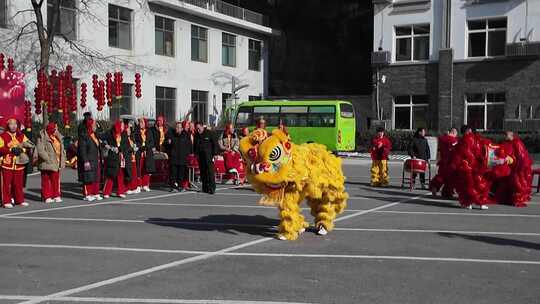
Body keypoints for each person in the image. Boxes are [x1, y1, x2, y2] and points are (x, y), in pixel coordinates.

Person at [450, 125, 490, 210]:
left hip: (466, 166)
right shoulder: (476, 140)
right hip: (474, 166)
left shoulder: (463, 141)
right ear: (467, 131)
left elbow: (458, 155)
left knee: (467, 185)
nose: (470, 131)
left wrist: (454, 165)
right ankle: (481, 203)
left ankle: (468, 203)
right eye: (469, 130)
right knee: (479, 184)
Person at [0, 118, 34, 208]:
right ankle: (6, 201)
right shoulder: (3, 136)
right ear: (8, 125)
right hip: (7, 163)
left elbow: (29, 146)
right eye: (11, 124)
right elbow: (0, 148)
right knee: (6, 184)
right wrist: (10, 149)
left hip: (19, 163)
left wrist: (22, 149)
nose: (13, 126)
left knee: (18, 184)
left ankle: (19, 200)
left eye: (15, 124)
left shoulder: (21, 136)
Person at [493, 131, 532, 207]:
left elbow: (521, 157)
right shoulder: (506, 143)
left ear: (512, 135)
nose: (505, 136)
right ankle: (508, 198)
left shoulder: (517, 143)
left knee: (517, 182)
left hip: (518, 167)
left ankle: (517, 198)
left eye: (506, 134)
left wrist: (514, 162)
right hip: (510, 167)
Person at [36, 122, 66, 203]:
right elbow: (40, 150)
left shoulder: (58, 137)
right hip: (46, 162)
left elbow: (62, 149)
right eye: (55, 128)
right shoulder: (42, 137)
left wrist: (63, 159)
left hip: (56, 162)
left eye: (56, 128)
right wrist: (48, 159)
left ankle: (56, 195)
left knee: (55, 180)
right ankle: (46, 196)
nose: (56, 130)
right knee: (46, 180)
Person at [102, 121, 128, 199]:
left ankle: (120, 191)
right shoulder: (110, 133)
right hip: (112, 157)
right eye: (122, 126)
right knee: (111, 174)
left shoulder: (124, 134)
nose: (124, 127)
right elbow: (101, 139)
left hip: (121, 156)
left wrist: (119, 149)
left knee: (120, 174)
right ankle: (106, 192)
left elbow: (126, 145)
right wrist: (108, 146)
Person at [77, 118, 102, 202]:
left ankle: (95, 192)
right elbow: (82, 149)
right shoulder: (84, 136)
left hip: (95, 159)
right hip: (88, 160)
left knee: (96, 177)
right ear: (90, 125)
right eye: (94, 124)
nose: (96, 126)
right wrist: (85, 161)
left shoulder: (95, 134)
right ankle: (87, 194)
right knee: (88, 177)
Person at [430, 128, 459, 197]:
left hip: (443, 161)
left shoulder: (442, 139)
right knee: (450, 178)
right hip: (451, 162)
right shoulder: (454, 141)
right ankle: (447, 192)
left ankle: (435, 186)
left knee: (441, 176)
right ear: (454, 132)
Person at [165, 121, 193, 192]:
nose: (178, 129)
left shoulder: (186, 135)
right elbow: (165, 144)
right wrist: (168, 143)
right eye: (177, 127)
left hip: (182, 158)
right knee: (173, 174)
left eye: (179, 127)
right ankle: (173, 187)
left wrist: (188, 154)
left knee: (181, 174)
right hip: (173, 158)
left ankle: (180, 186)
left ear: (182, 128)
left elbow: (189, 145)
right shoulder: (170, 134)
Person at [194, 122, 217, 194]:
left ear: (202, 127)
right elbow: (195, 146)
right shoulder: (196, 135)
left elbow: (215, 144)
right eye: (196, 129)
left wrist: (215, 154)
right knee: (203, 172)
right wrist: (196, 154)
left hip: (208, 156)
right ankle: (205, 187)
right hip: (200, 156)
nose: (198, 130)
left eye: (199, 128)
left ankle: (212, 188)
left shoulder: (209, 133)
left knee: (210, 172)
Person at [135, 117, 156, 192]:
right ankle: (138, 185)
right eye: (140, 122)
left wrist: (146, 147)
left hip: (147, 152)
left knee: (147, 168)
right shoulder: (136, 131)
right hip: (139, 152)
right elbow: (135, 141)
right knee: (139, 168)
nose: (140, 124)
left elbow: (151, 142)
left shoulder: (149, 131)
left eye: (142, 122)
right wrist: (141, 147)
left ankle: (145, 184)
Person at [124, 122, 140, 194]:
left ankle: (134, 187)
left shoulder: (131, 138)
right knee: (129, 173)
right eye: (128, 130)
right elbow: (126, 148)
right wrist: (132, 149)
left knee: (134, 173)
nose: (129, 131)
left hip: (133, 157)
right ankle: (128, 188)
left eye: (130, 130)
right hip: (128, 158)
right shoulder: (124, 139)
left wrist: (135, 148)